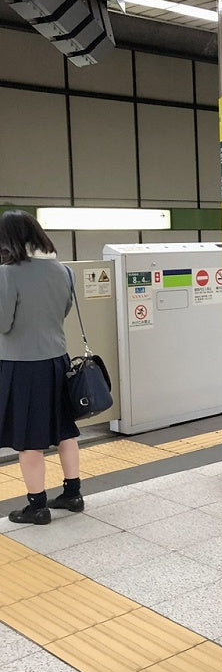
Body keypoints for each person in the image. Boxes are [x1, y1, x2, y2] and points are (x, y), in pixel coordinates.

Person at [0, 210, 84, 525]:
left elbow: (3, 323)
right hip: (57, 361)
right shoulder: (64, 271)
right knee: (64, 431)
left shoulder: (7, 274)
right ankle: (72, 494)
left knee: (28, 440)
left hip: (22, 367)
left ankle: (37, 506)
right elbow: (63, 311)